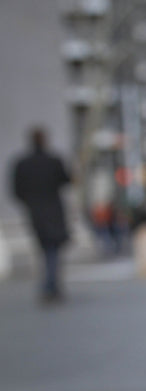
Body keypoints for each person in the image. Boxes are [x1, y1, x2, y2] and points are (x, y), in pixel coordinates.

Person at [9, 126, 72, 303]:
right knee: (53, 249)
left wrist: (30, 203)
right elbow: (66, 180)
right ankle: (50, 284)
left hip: (35, 212)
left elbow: (16, 191)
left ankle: (50, 284)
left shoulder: (22, 164)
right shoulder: (53, 161)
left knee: (45, 248)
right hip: (53, 211)